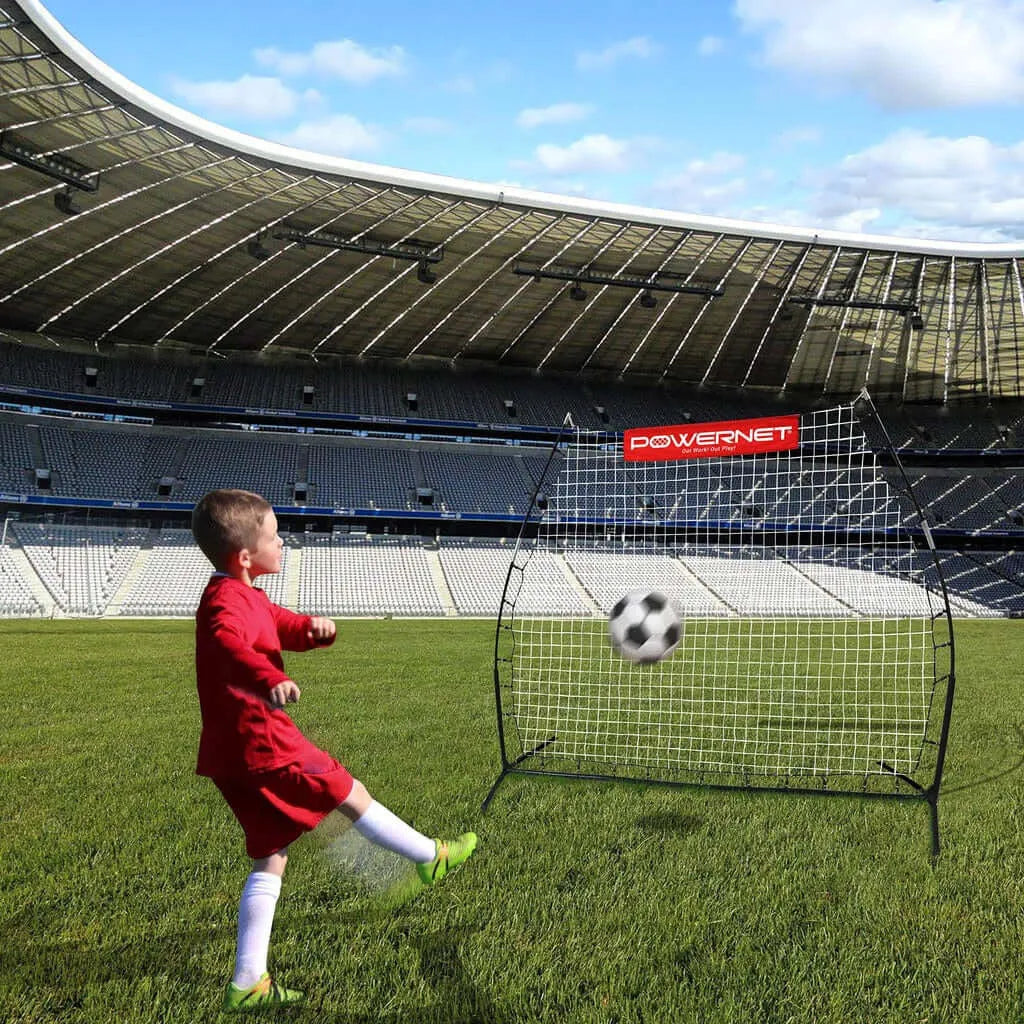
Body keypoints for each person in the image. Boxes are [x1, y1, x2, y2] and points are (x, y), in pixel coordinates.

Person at [190, 488, 477, 1013]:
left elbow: (278, 623)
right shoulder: (224, 604)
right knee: (349, 790)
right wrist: (269, 674)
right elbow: (231, 645)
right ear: (246, 556)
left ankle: (248, 980)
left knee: (269, 856)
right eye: (275, 536)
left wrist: (313, 631)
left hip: (232, 755)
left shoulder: (240, 593)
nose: (284, 542)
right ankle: (429, 857)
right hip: (264, 743)